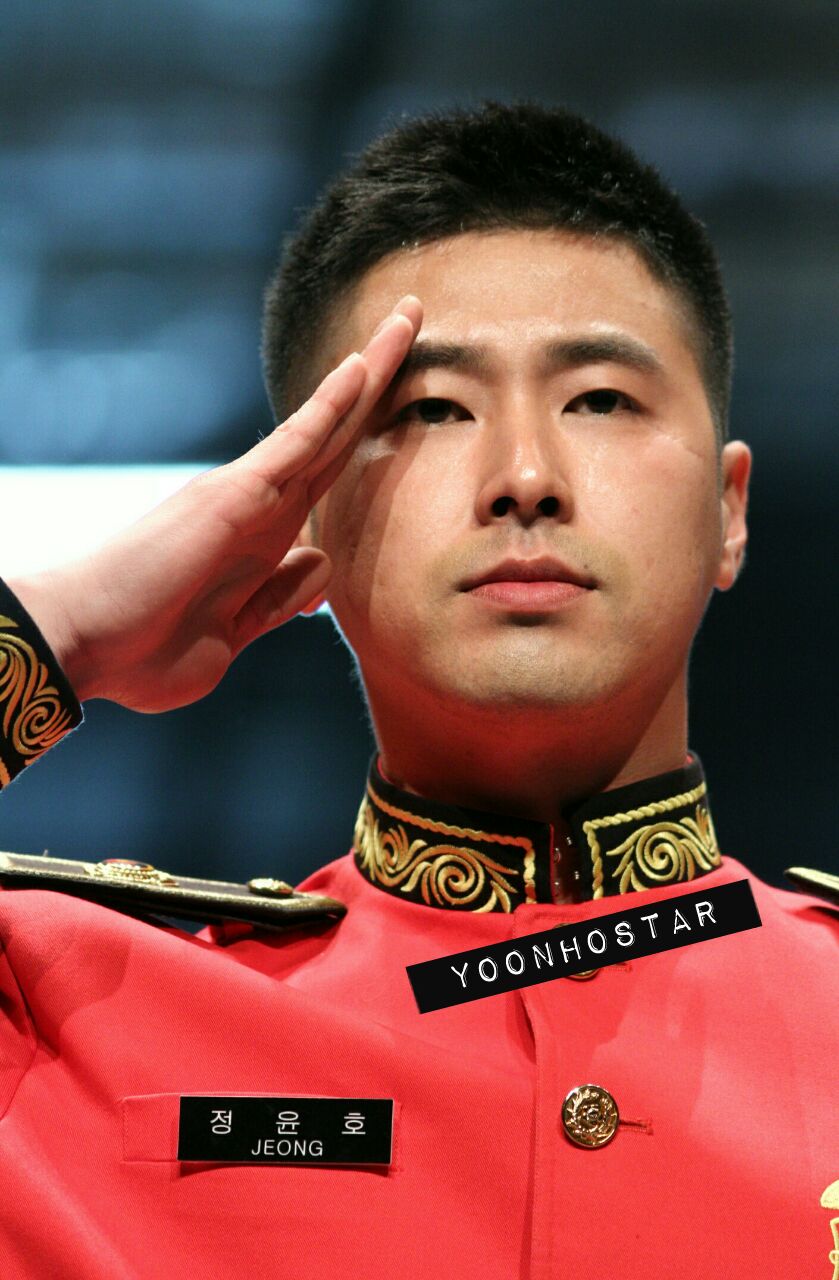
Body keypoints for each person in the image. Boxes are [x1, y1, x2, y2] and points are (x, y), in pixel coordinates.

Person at [0, 100, 836, 1280]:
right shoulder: (69, 1023)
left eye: (599, 398)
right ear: (305, 510)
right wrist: (62, 629)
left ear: (726, 509)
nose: (524, 475)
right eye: (430, 409)